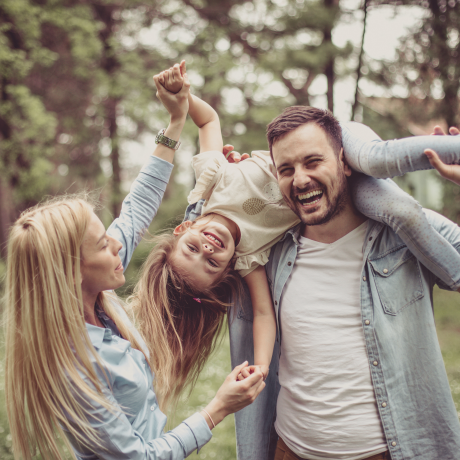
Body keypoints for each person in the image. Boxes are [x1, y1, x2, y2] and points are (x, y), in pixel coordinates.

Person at [150, 61, 460, 391]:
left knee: (374, 159)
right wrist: (261, 366)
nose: (208, 249)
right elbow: (263, 314)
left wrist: (182, 98)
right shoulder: (248, 257)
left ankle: (452, 148)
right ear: (226, 270)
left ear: (183, 229)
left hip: (332, 144)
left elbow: (208, 119)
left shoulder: (212, 179)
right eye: (211, 263)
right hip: (341, 192)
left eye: (193, 249)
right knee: (402, 212)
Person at [4, 73, 265, 460]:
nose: (117, 242)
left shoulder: (96, 287)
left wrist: (175, 122)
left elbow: (137, 208)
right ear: (71, 272)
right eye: (102, 242)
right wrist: (217, 409)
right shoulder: (74, 367)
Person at [227, 109, 460, 460]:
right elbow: (197, 267)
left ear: (345, 163)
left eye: (313, 162)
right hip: (289, 450)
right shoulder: (269, 253)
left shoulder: (405, 234)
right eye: (286, 169)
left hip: (388, 452)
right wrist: (230, 192)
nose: (300, 179)